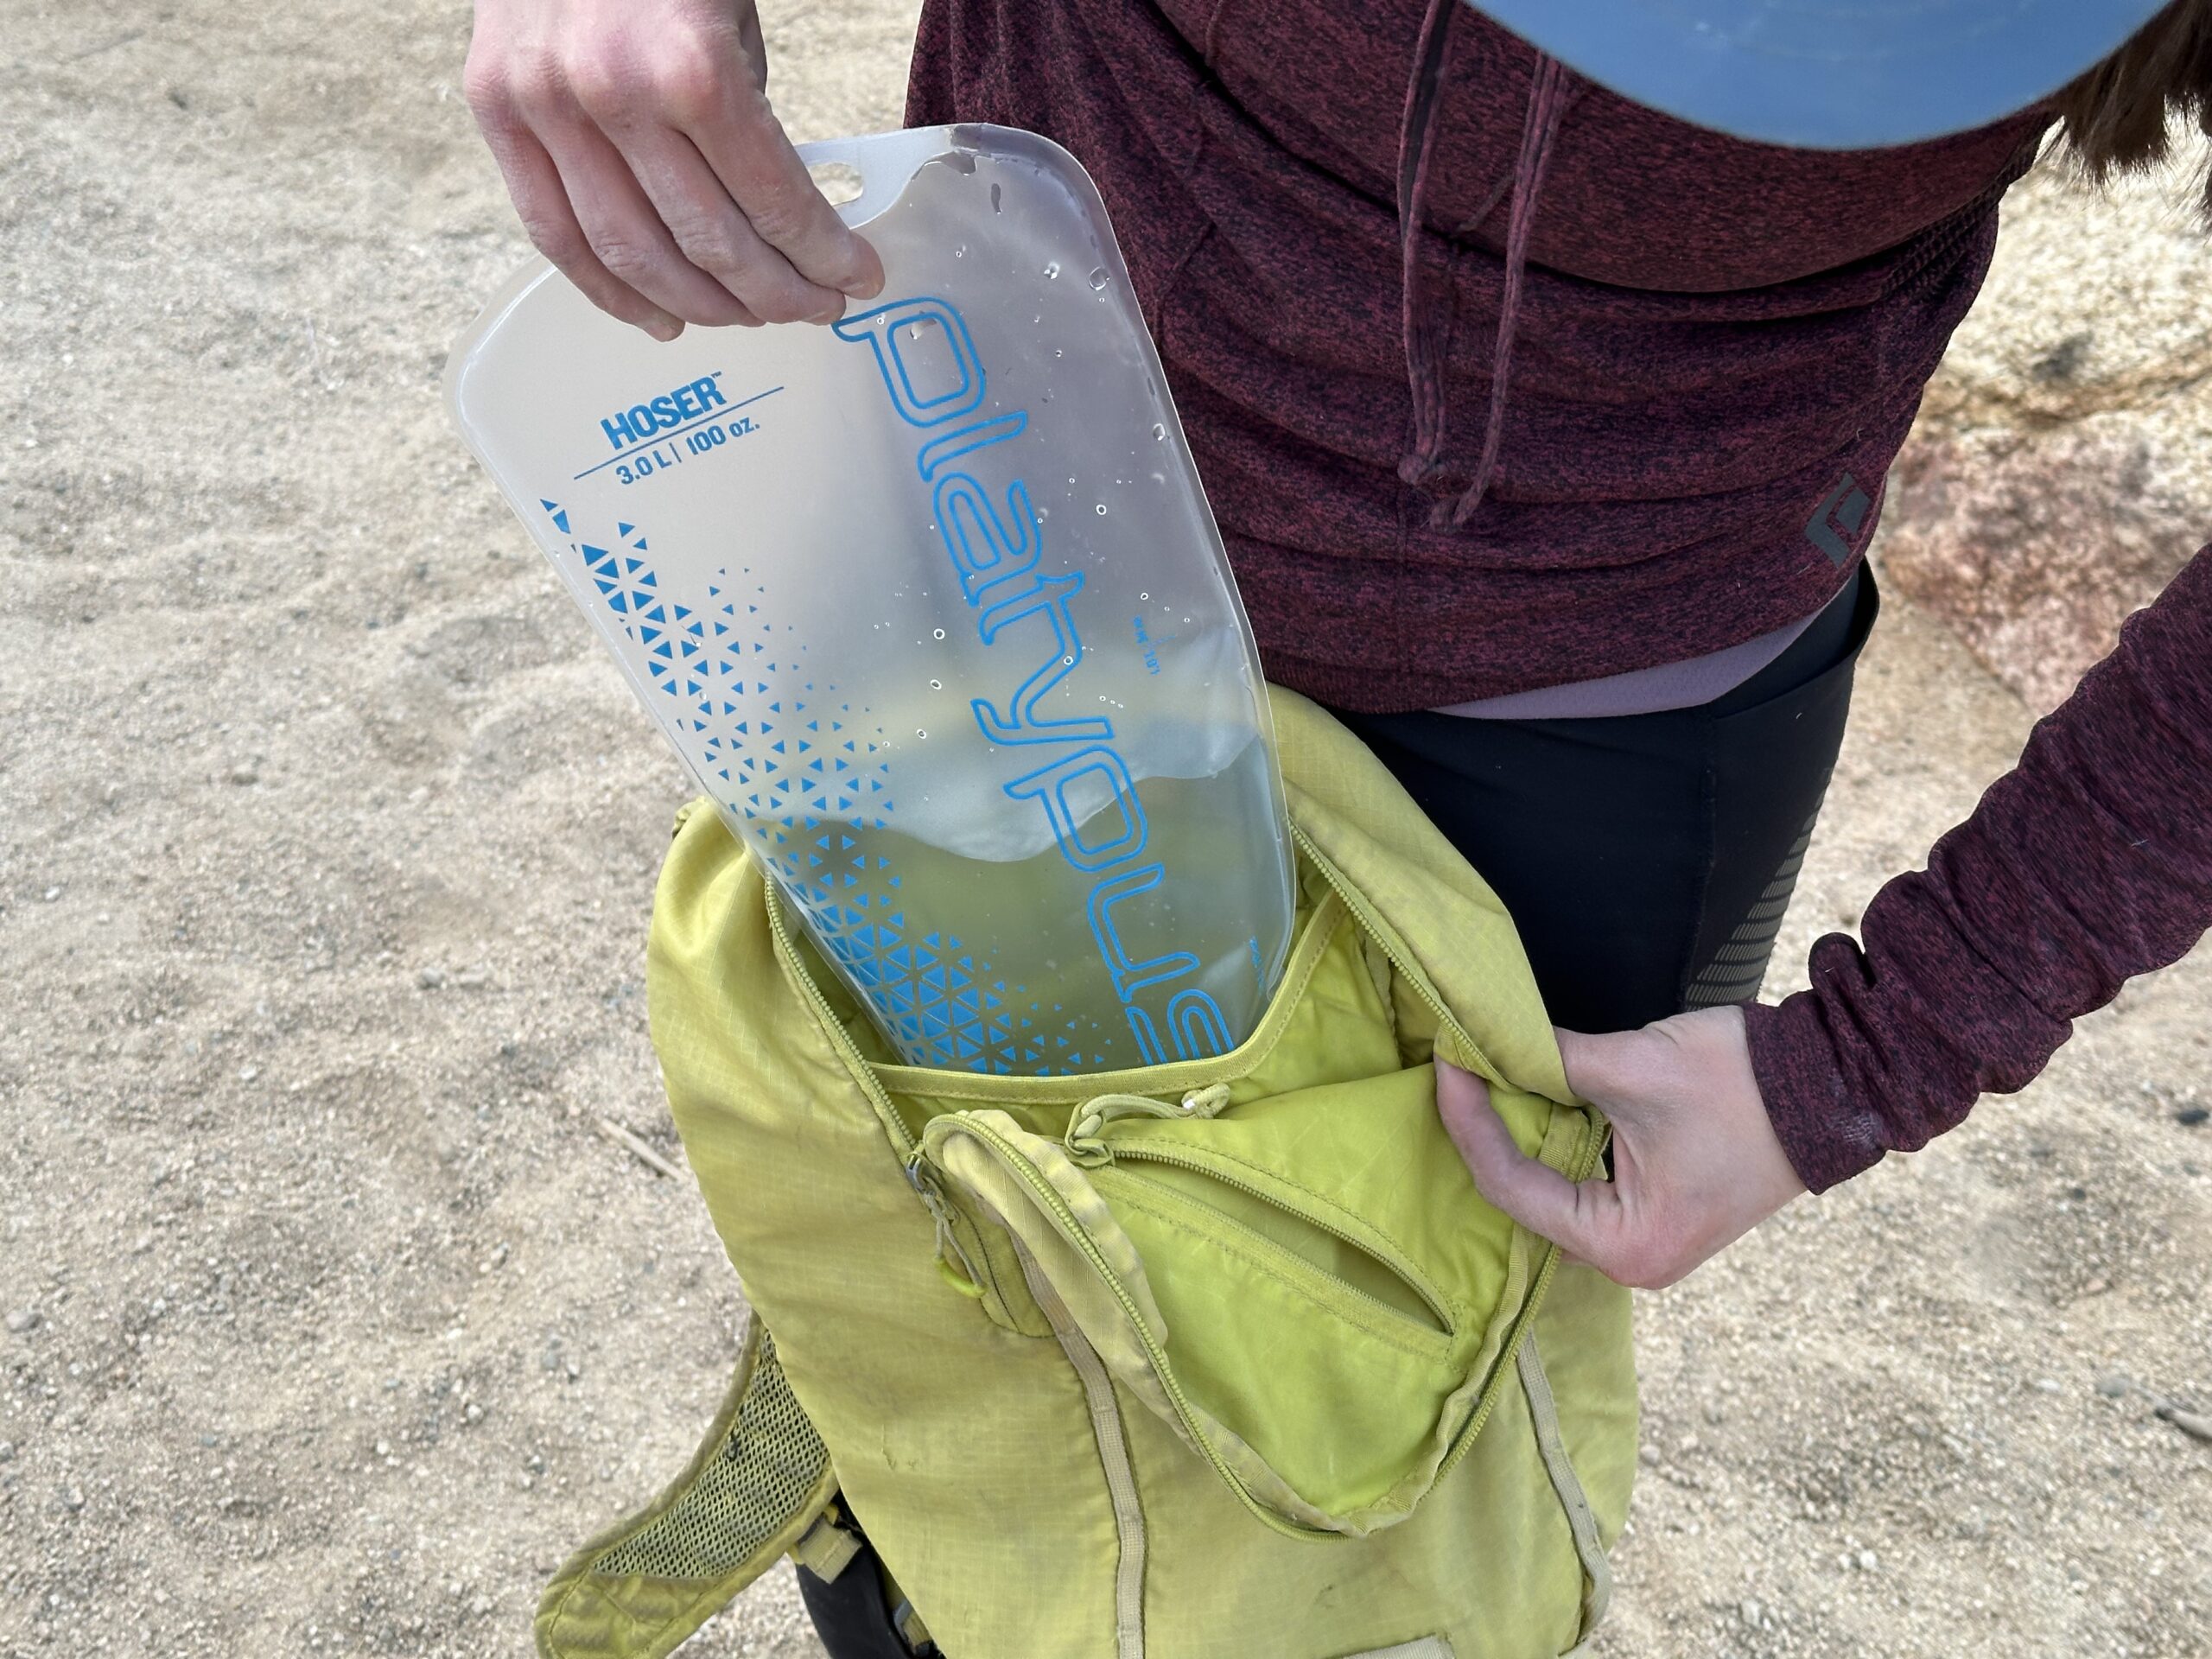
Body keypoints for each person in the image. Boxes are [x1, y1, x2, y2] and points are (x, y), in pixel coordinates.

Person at [461, 0, 2212, 1649]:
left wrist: (1880, 1047)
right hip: (972, 537)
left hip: (1573, 745)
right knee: (959, 1423)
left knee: (1355, 1511)